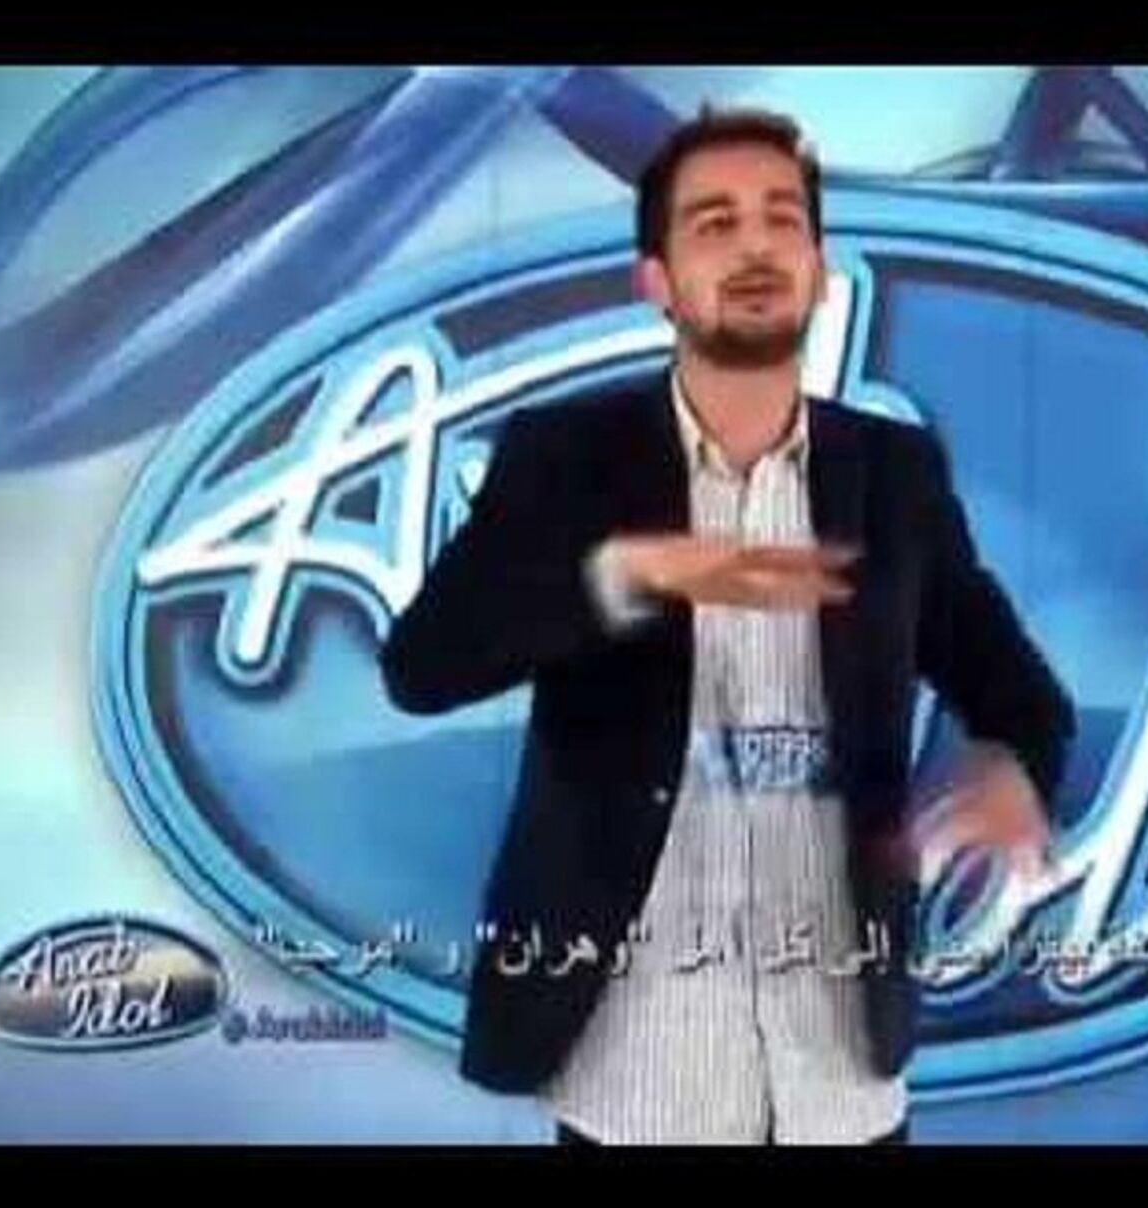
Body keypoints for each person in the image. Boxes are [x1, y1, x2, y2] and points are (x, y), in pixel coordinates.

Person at [379, 106, 1075, 1145]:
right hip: (634, 1073)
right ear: (656, 281)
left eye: (781, 219)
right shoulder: (566, 456)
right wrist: (621, 574)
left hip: (840, 1076)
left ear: (819, 269)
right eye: (715, 223)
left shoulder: (892, 473)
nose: (755, 246)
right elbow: (422, 667)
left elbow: (1017, 692)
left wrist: (1013, 766)